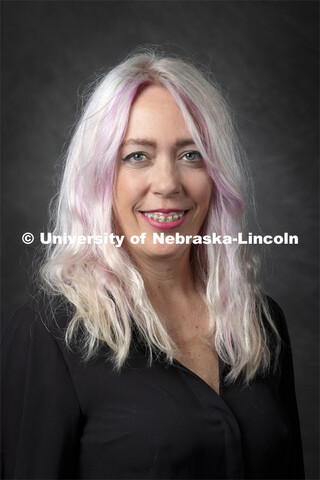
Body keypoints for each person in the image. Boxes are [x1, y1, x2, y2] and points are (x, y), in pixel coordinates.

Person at [2, 49, 304, 479]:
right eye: (137, 156)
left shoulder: (261, 324)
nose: (167, 184)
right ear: (99, 180)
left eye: (191, 155)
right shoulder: (46, 337)